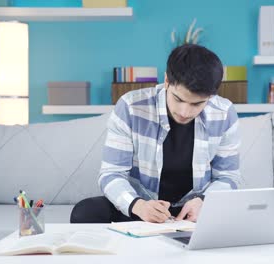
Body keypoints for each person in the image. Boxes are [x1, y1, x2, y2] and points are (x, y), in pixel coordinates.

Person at [70, 44, 241, 224]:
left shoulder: (224, 113)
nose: (184, 112)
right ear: (166, 80)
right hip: (142, 205)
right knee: (85, 212)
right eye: (178, 99)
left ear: (211, 96)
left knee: (247, 216)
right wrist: (138, 205)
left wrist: (204, 202)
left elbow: (228, 177)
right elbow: (111, 173)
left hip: (195, 210)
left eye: (197, 104)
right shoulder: (130, 107)